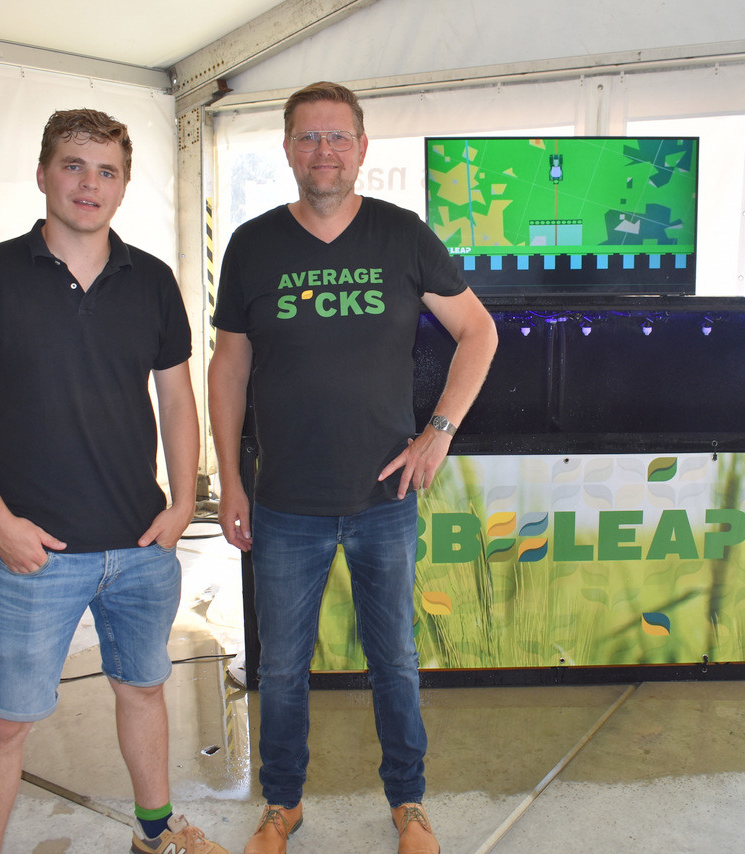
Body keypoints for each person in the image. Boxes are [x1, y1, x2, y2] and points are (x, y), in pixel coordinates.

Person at [208, 82, 498, 854]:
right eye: (308, 137)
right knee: (282, 669)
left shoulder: (403, 236)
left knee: (394, 662)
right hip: (284, 502)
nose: (324, 151)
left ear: (363, 149)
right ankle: (282, 805)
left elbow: (479, 332)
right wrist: (229, 479)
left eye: (338, 137)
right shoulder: (253, 246)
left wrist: (438, 432)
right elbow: (228, 368)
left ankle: (409, 803)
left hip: (384, 498)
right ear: (287, 149)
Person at [0, 109, 227, 854]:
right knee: (6, 723)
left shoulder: (151, 281)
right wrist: (0, 525)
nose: (89, 185)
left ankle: (155, 833)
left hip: (141, 546)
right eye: (73, 165)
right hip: (36, 553)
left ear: (122, 186)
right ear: (42, 174)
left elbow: (176, 399)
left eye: (106, 172)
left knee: (143, 689)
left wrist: (182, 502)